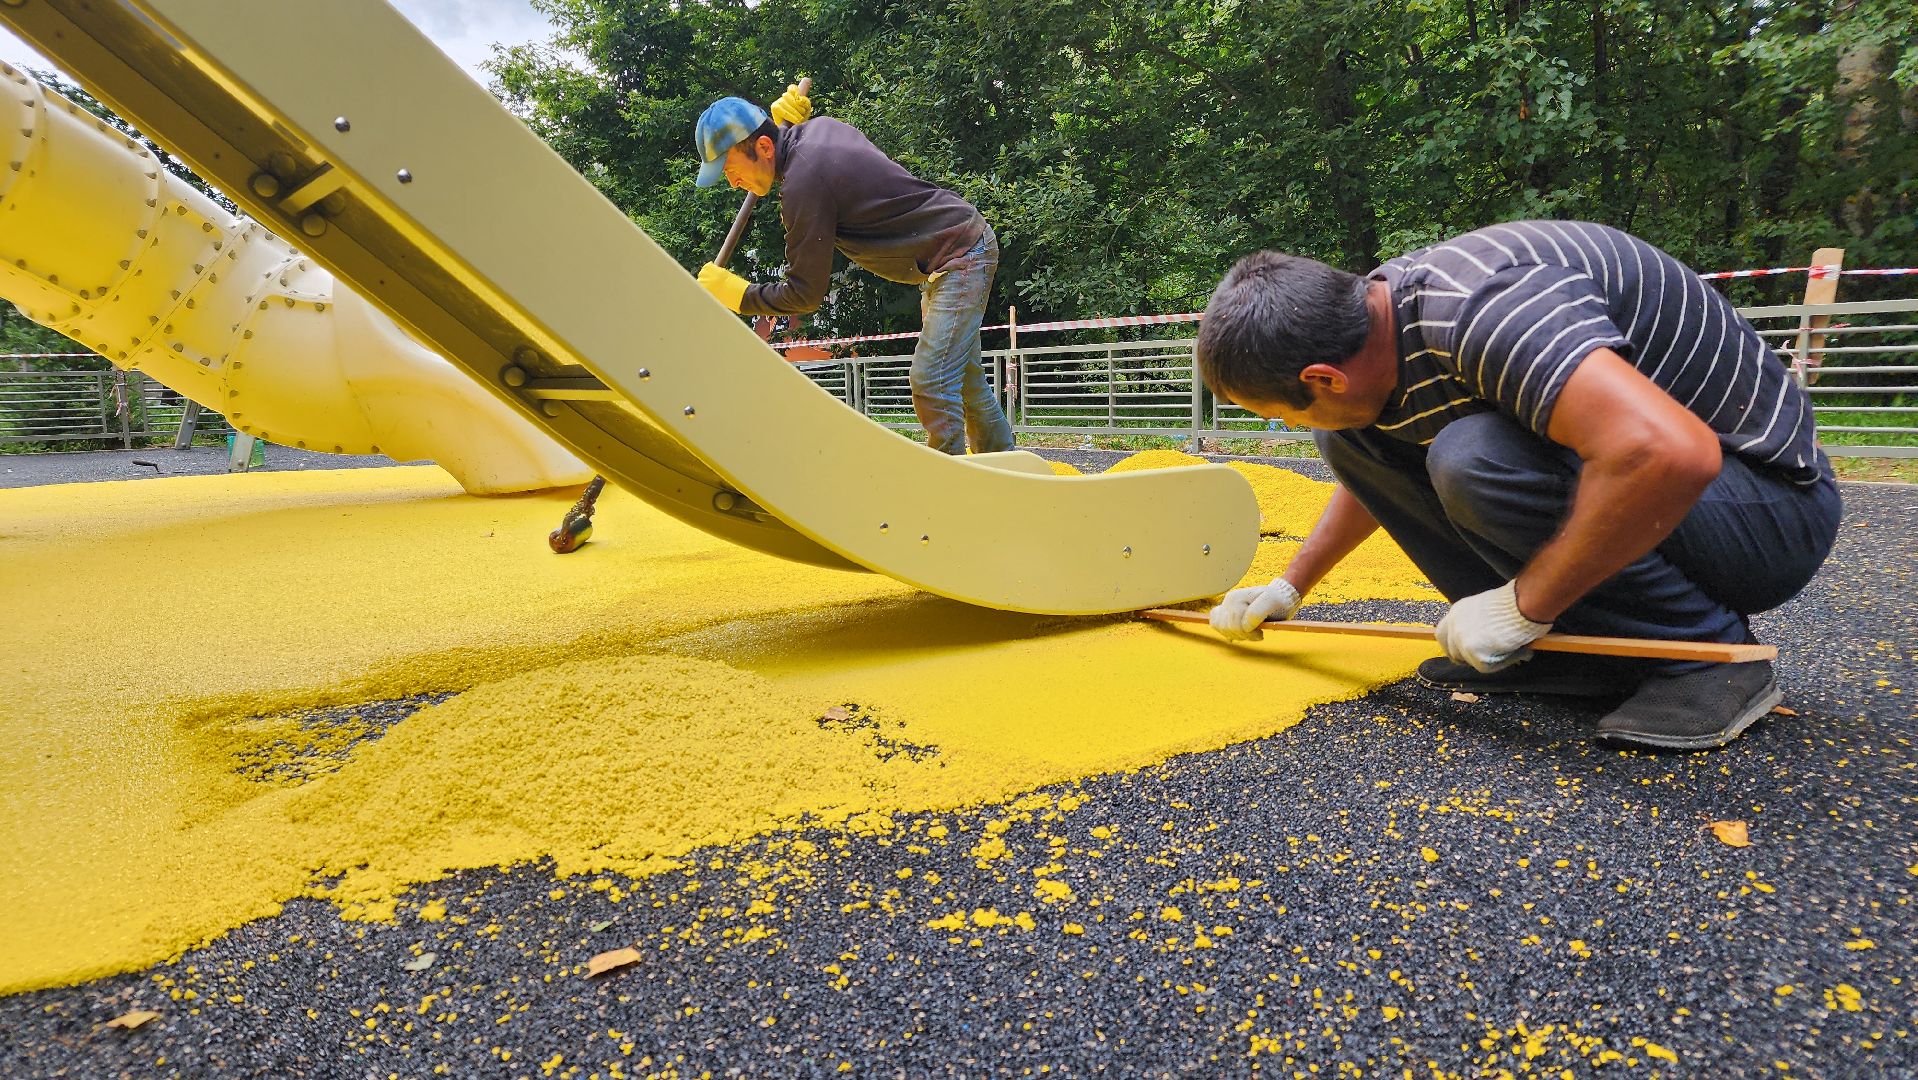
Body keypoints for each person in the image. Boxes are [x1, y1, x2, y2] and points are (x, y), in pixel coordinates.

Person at [1196, 221, 1841, 751]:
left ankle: (1707, 658)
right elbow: (1379, 466)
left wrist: (1522, 606)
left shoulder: (1484, 310)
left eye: (1281, 412)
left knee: (1472, 458)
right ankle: (1576, 653)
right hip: (1693, 503)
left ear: (1324, 378)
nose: (1285, 425)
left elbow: (1670, 454)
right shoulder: (1377, 320)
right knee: (1350, 438)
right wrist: (1291, 584)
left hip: (1771, 510)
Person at [690, 89, 1014, 456]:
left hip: (959, 255)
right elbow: (826, 165)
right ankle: (1005, 466)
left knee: (932, 380)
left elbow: (804, 294)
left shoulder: (804, 180)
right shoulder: (815, 133)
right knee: (968, 386)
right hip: (954, 249)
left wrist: (739, 294)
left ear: (764, 147)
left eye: (731, 169)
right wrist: (787, 129)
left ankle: (950, 493)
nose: (733, 182)